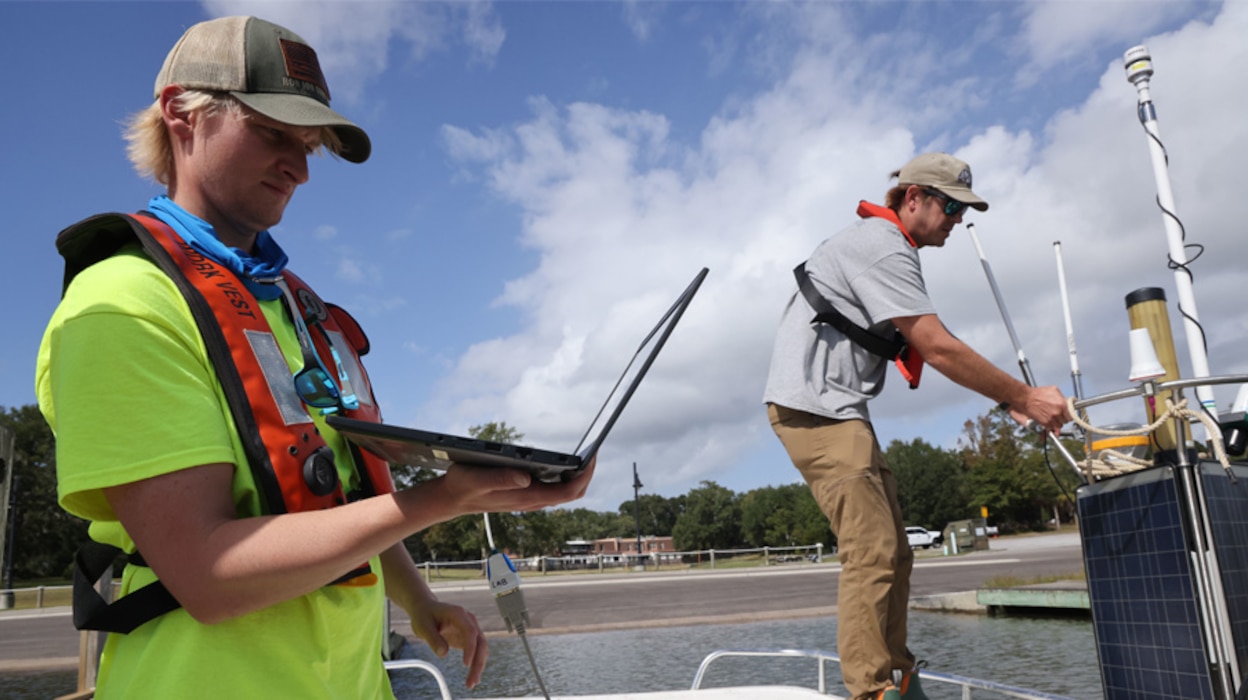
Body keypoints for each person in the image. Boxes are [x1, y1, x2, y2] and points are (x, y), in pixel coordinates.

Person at [35, 15, 593, 698]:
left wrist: (418, 600)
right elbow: (208, 575)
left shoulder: (295, 308)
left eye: (311, 146)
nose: (300, 168)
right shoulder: (120, 306)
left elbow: (338, 492)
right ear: (181, 114)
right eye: (273, 133)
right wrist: (445, 498)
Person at [762, 152, 1070, 700]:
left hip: (840, 411)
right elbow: (937, 345)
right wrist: (1023, 394)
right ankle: (872, 691)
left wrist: (1008, 404)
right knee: (872, 550)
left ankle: (898, 675)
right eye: (950, 206)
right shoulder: (881, 246)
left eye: (962, 210)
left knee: (897, 552)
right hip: (817, 411)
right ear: (913, 198)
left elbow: (926, 343)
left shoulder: (887, 247)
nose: (956, 219)